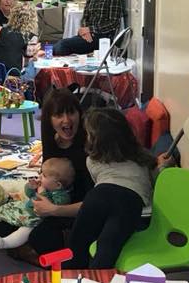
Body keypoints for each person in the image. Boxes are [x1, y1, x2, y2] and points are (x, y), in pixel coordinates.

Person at [0, 89, 92, 261]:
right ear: (49, 120)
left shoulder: (89, 144)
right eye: (59, 115)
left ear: (79, 114)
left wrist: (54, 210)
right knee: (1, 227)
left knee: (41, 238)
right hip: (50, 203)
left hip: (77, 211)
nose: (66, 120)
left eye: (71, 113)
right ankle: (32, 250)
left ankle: (40, 252)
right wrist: (36, 190)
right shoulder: (52, 140)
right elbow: (46, 179)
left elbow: (94, 203)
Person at [66, 108, 155, 269]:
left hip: (99, 195)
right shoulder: (143, 157)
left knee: (78, 240)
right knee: (108, 246)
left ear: (95, 140)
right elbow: (153, 181)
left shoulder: (92, 161)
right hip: (130, 199)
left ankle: (69, 278)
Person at [0, 158, 75, 249]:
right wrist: (30, 187)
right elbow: (29, 194)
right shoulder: (44, 185)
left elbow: (54, 206)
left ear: (57, 185)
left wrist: (42, 192)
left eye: (44, 175)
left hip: (36, 217)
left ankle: (7, 242)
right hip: (25, 208)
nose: (40, 176)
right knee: (5, 208)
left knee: (25, 231)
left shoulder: (62, 196)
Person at [0, 0, 41, 73]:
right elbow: (30, 59)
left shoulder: (3, 31)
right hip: (15, 73)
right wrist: (36, 50)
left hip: (0, 71)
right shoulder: (30, 36)